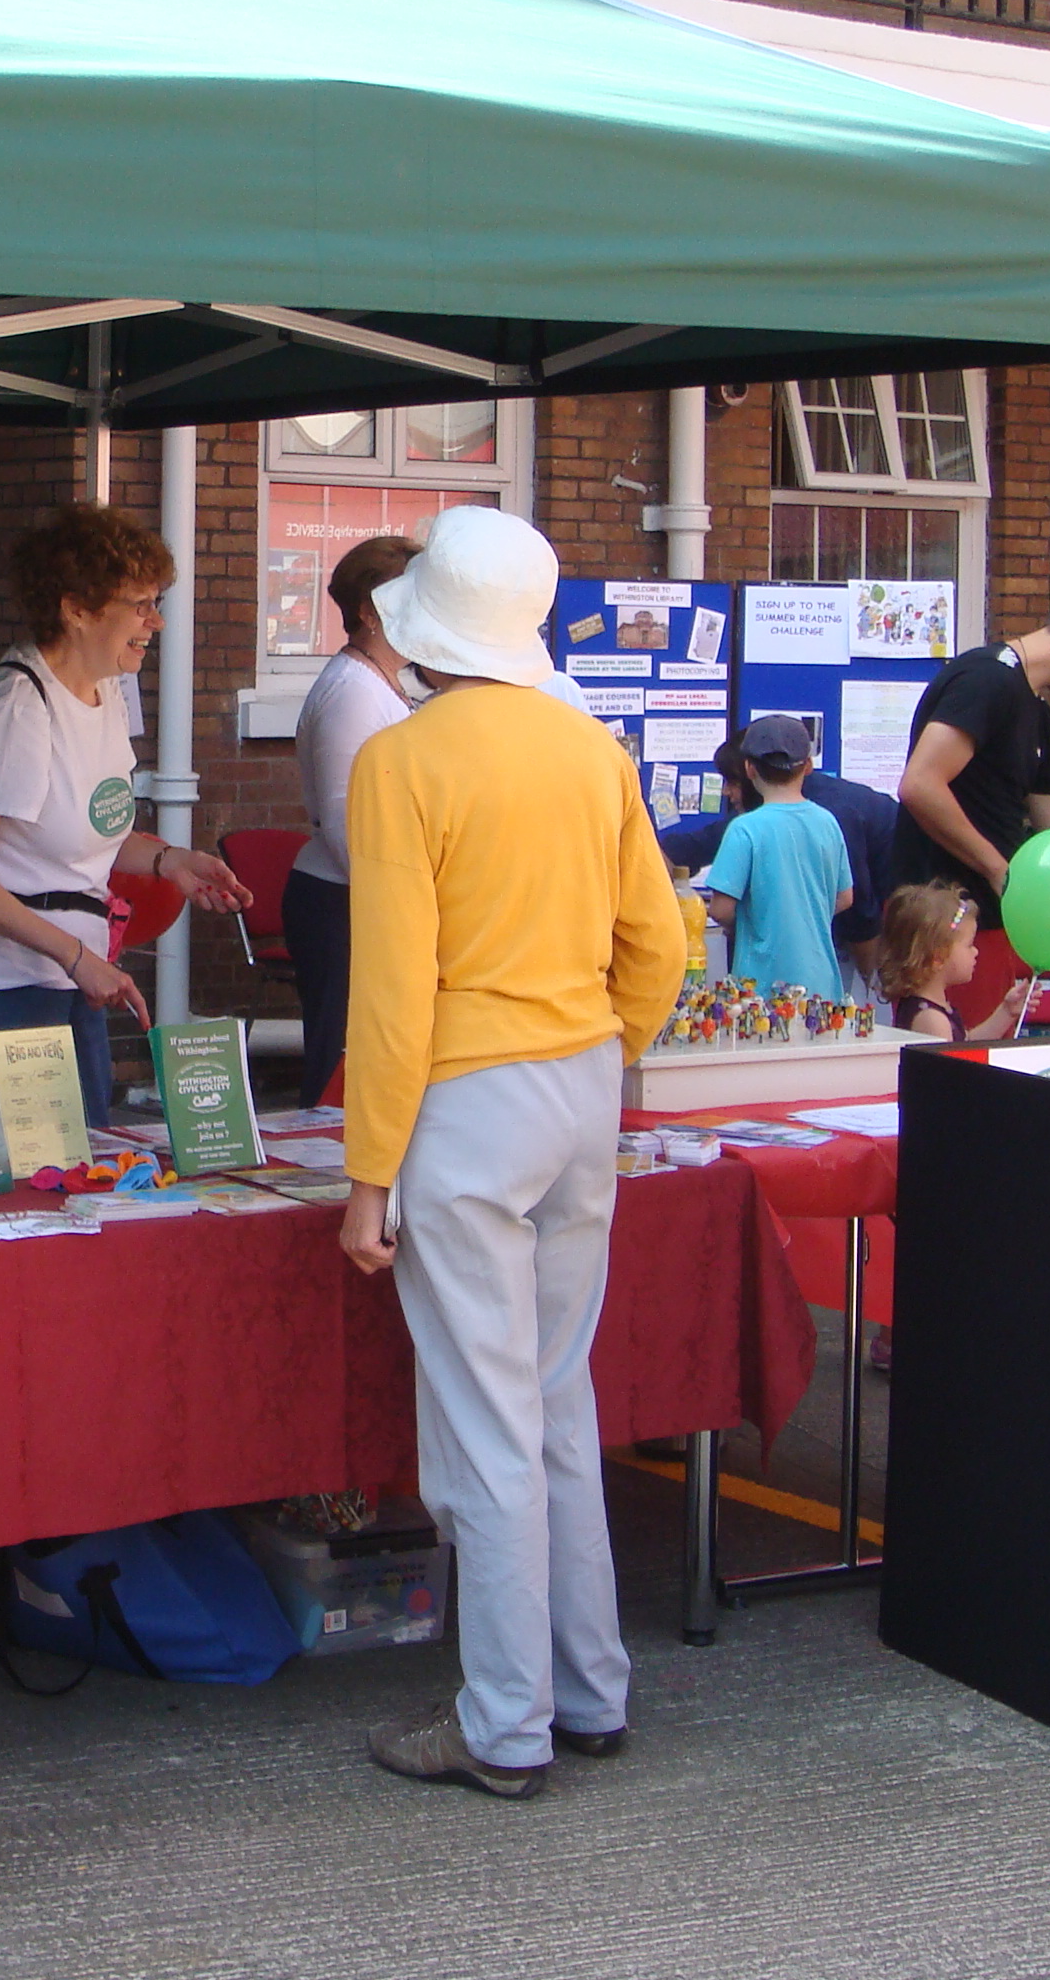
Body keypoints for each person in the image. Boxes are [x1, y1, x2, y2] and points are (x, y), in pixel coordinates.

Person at [336, 507, 686, 1800]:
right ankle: (588, 1692)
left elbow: (391, 994)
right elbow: (661, 942)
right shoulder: (592, 749)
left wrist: (369, 1172)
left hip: (464, 1102)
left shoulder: (402, 762)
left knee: (484, 1426)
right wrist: (600, 1047)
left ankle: (503, 1725)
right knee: (554, 1405)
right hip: (580, 1080)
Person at [0, 503, 252, 1127]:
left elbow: (89, 829)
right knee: (23, 1194)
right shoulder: (17, 706)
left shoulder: (107, 693)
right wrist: (74, 956)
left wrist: (170, 860)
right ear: (75, 609)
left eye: (157, 602)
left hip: (75, 975)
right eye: (139, 604)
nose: (155, 622)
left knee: (84, 1179)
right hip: (0, 988)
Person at [287, 534, 422, 1112]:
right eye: (413, 596)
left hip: (362, 899)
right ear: (370, 611)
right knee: (342, 1054)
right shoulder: (352, 694)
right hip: (343, 903)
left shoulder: (383, 682)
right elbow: (347, 829)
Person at [889, 589, 1050, 927]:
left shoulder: (1038, 712)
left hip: (994, 921)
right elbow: (920, 785)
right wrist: (998, 870)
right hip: (941, 926)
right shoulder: (987, 679)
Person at [662, 728, 900, 985]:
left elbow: (862, 915)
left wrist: (873, 983)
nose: (725, 792)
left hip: (894, 895)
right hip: (819, 973)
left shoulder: (833, 814)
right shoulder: (810, 819)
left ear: (750, 772)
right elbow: (845, 897)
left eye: (731, 782)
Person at [696, 716, 854, 997]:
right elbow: (845, 898)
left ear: (749, 769)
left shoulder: (744, 829)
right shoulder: (828, 822)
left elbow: (721, 909)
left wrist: (757, 922)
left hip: (760, 986)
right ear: (807, 767)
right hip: (822, 982)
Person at [874, 882, 1031, 1041]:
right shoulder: (932, 1020)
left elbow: (967, 1043)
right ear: (938, 958)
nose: (975, 952)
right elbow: (950, 1063)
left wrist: (1006, 1011)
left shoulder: (935, 1008)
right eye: (969, 945)